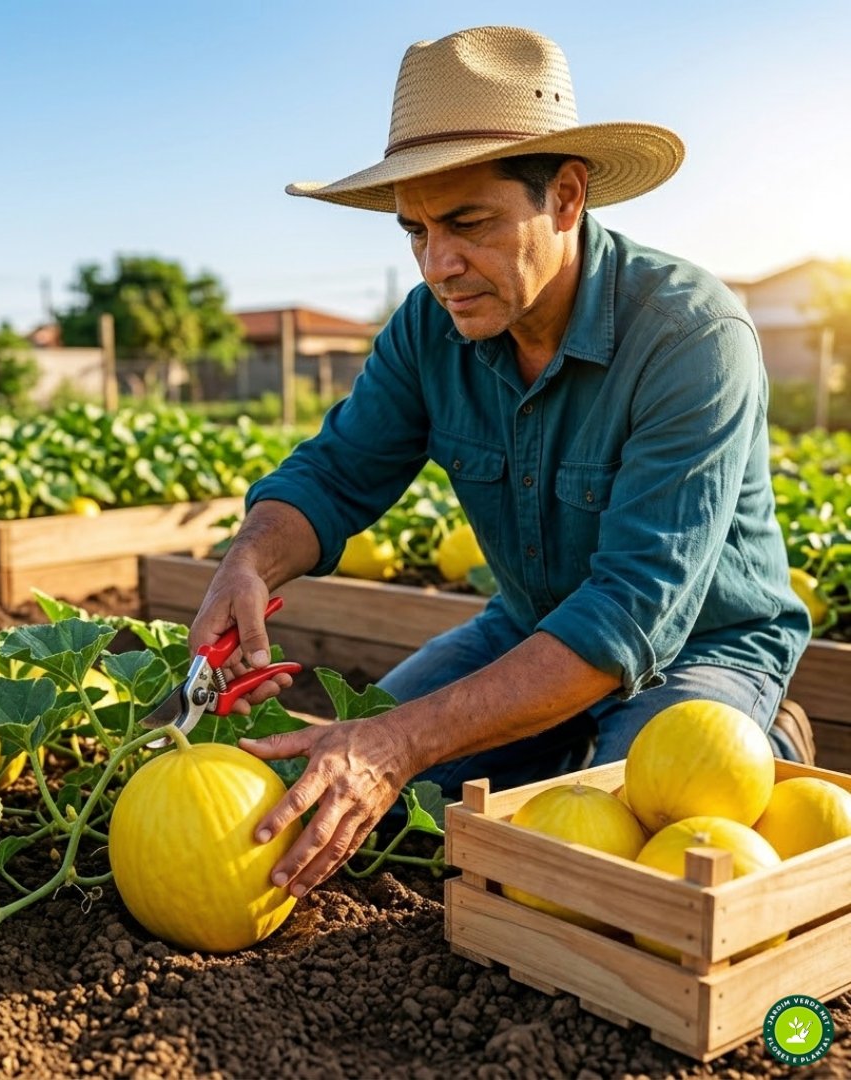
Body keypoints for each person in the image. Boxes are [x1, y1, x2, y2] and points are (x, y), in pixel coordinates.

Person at [188, 25, 812, 900]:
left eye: (468, 223)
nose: (439, 264)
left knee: (624, 864)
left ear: (564, 197)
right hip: (525, 627)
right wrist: (249, 557)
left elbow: (630, 614)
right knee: (360, 802)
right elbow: (333, 476)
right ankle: (552, 742)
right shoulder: (427, 328)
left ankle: (767, 735)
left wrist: (404, 740)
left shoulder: (689, 334)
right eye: (416, 232)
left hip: (702, 647)